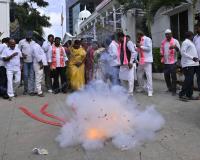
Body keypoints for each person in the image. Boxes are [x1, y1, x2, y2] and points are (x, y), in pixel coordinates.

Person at [179, 31, 200, 101]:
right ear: (190, 36)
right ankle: (181, 94)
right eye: (192, 35)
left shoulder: (190, 42)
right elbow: (182, 52)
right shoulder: (186, 42)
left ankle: (189, 95)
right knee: (188, 80)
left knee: (190, 81)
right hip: (188, 64)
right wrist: (192, 57)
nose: (193, 37)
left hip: (192, 64)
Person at [160, 29, 180, 96]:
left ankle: (174, 91)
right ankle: (170, 88)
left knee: (173, 77)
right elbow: (161, 50)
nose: (167, 35)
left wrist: (175, 47)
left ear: (171, 34)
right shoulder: (163, 42)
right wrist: (161, 55)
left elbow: (179, 50)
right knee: (166, 76)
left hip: (173, 62)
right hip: (165, 62)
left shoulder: (175, 41)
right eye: (166, 34)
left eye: (168, 34)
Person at [136, 31, 153, 97]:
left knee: (148, 76)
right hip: (141, 61)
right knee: (138, 74)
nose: (137, 37)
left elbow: (149, 49)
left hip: (147, 60)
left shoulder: (147, 39)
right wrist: (136, 47)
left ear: (140, 35)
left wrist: (140, 46)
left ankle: (150, 91)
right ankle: (142, 87)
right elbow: (139, 50)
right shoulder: (140, 41)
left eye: (137, 36)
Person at [18, 31, 35, 95]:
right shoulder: (21, 42)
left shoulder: (34, 42)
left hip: (32, 62)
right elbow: (18, 51)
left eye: (29, 37)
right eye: (27, 37)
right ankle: (25, 89)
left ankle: (31, 91)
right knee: (25, 76)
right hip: (25, 62)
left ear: (31, 37)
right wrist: (22, 54)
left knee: (31, 76)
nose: (28, 38)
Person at [193, 23, 200, 96]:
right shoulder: (195, 37)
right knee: (198, 76)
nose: (196, 30)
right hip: (197, 60)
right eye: (196, 28)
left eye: (197, 28)